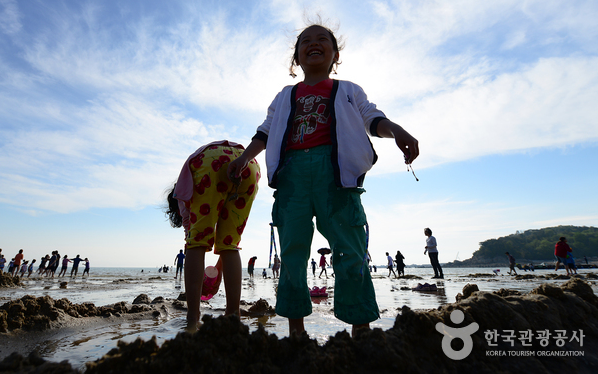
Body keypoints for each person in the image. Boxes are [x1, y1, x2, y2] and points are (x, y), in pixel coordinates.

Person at [226, 22, 419, 337]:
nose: (313, 44)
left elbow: (372, 118)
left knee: (351, 249)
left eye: (322, 40)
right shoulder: (285, 95)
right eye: (305, 41)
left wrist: (395, 130)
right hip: (292, 178)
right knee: (292, 252)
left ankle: (361, 328)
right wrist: (244, 157)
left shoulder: (348, 90)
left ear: (335, 54)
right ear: (296, 59)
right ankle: (296, 331)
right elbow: (265, 131)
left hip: (338, 179)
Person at [165, 140, 261, 329]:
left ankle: (193, 317)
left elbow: (192, 241)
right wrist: (216, 274)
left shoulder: (182, 196)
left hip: (210, 163)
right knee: (230, 243)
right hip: (249, 163)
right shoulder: (187, 184)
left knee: (196, 242)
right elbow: (224, 244)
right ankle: (233, 315)